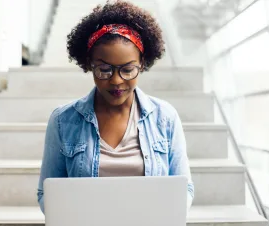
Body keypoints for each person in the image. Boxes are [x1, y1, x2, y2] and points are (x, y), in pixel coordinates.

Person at [37, 0, 194, 213]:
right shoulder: (63, 121)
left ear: (142, 64)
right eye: (104, 70)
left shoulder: (165, 117)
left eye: (128, 70)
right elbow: (47, 194)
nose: (116, 81)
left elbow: (185, 189)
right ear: (88, 64)